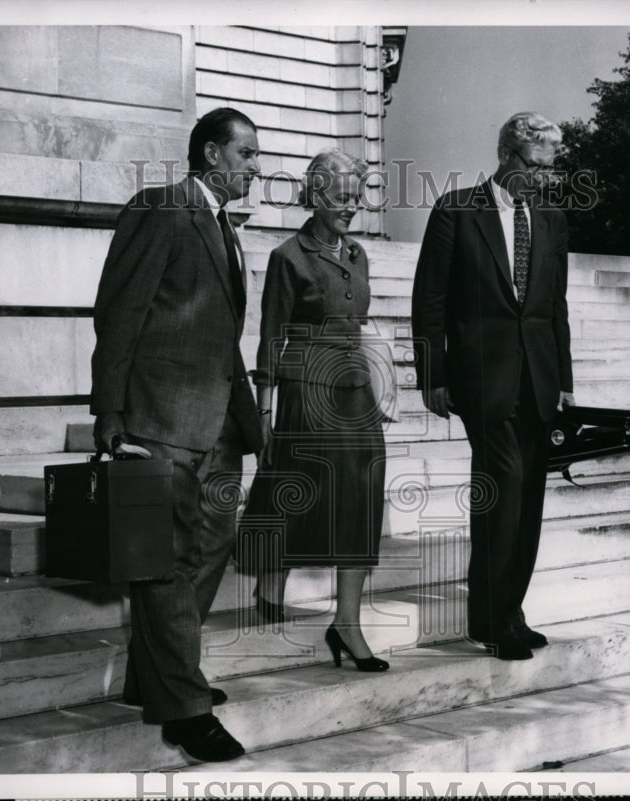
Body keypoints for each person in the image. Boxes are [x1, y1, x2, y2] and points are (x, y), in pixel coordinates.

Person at [90, 107, 263, 762]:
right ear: (213, 155)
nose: (256, 168)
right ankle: (186, 708)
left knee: (211, 547)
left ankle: (154, 675)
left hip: (218, 425)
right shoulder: (160, 209)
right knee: (163, 559)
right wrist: (111, 413)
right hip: (158, 418)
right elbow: (119, 312)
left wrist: (248, 423)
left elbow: (224, 340)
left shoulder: (228, 231)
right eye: (247, 154)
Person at [411, 111, 576, 661]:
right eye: (534, 165)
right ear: (507, 154)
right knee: (502, 492)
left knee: (528, 498)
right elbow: (429, 301)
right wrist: (432, 376)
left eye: (550, 168)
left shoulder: (550, 217)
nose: (543, 177)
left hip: (539, 379)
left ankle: (510, 612)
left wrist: (565, 381)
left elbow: (555, 306)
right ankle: (489, 618)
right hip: (482, 379)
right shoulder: (457, 209)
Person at [239, 148, 389, 672]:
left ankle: (346, 622)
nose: (352, 207)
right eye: (342, 197)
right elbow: (270, 335)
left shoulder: (357, 255)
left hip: (355, 392)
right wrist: (262, 409)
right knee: (295, 487)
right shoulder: (288, 256)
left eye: (357, 197)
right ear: (315, 195)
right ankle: (270, 583)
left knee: (364, 494)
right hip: (306, 389)